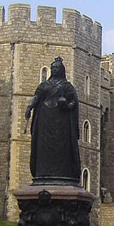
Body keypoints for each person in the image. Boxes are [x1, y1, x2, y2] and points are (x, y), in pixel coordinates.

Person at [24, 56, 81, 186]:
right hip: (45, 118)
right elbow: (36, 98)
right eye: (53, 68)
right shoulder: (44, 85)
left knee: (62, 148)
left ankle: (64, 174)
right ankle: (43, 173)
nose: (55, 70)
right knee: (44, 147)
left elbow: (74, 101)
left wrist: (67, 105)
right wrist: (29, 107)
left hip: (62, 121)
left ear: (62, 70)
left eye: (57, 68)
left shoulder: (67, 86)